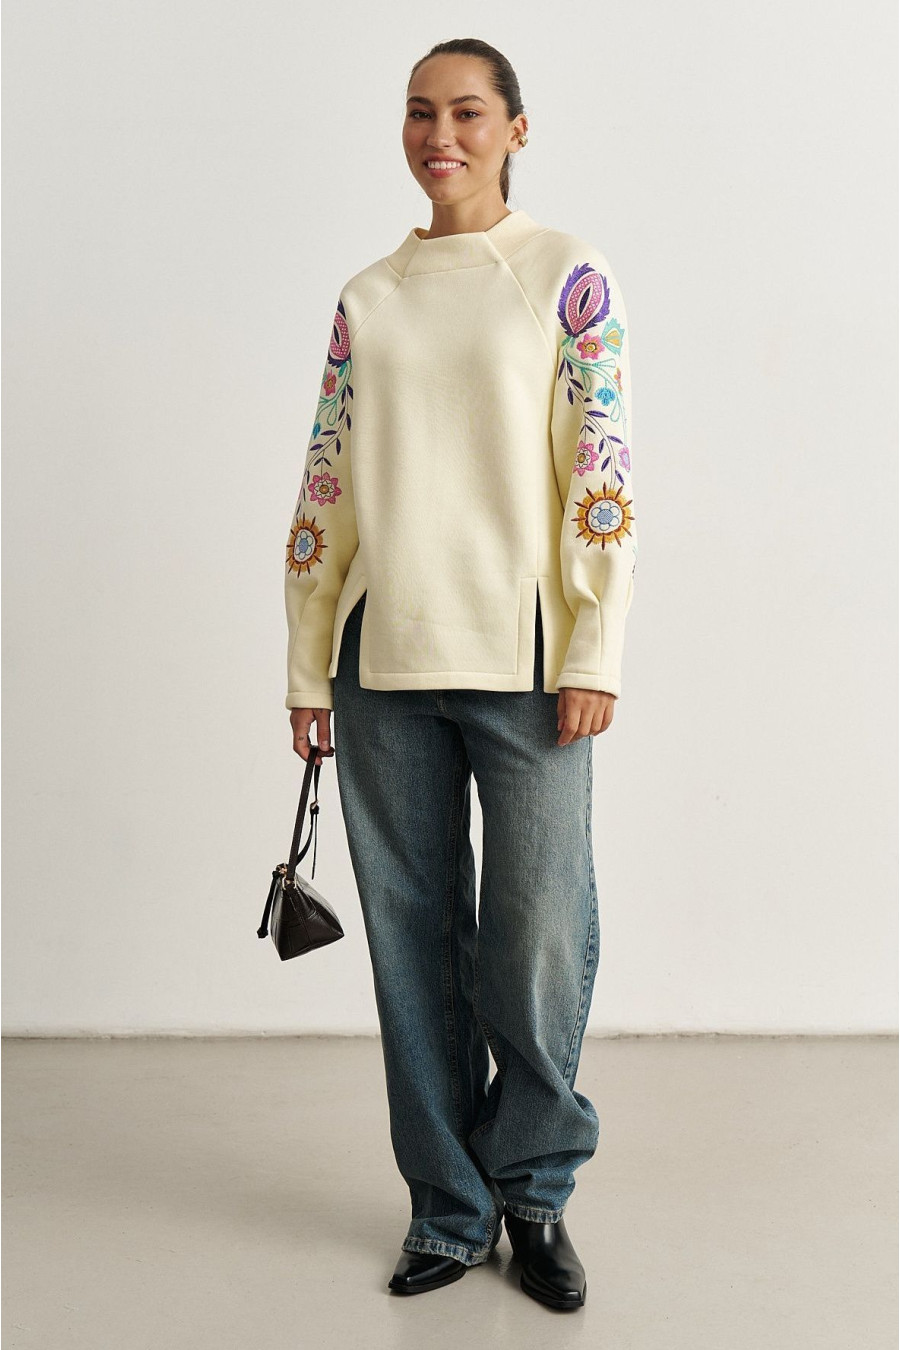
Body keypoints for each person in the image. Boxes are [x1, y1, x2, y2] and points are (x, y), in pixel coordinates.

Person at [283, 38, 637, 1312]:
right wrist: (308, 661)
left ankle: (532, 1191)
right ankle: (447, 1205)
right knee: (414, 942)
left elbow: (601, 466)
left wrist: (593, 645)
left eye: (469, 112)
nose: (442, 135)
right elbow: (327, 480)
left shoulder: (565, 275)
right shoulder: (368, 298)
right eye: (421, 113)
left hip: (529, 660)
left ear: (515, 129)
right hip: (380, 660)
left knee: (535, 937)